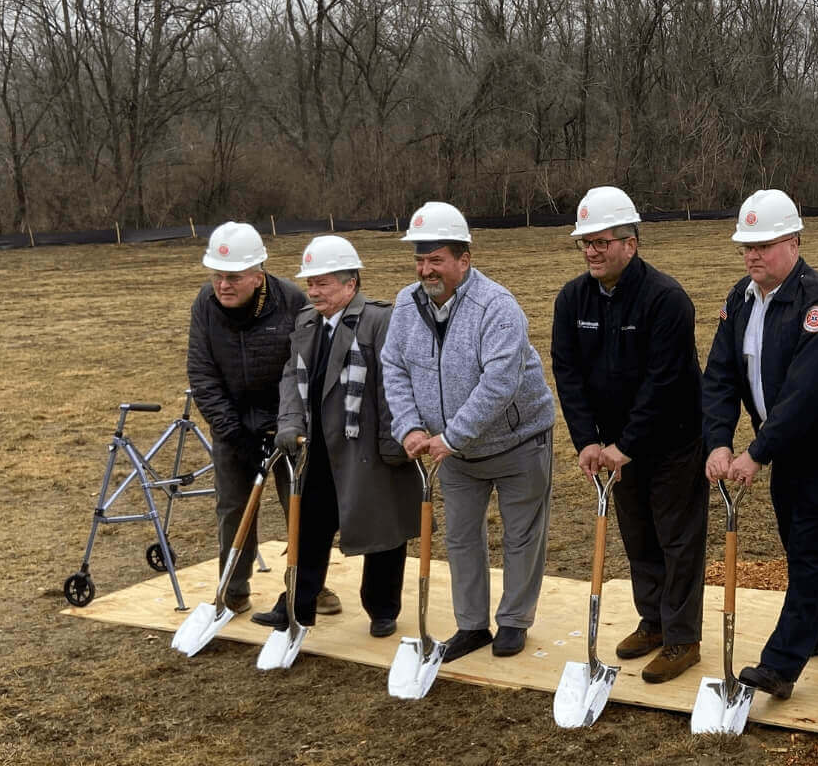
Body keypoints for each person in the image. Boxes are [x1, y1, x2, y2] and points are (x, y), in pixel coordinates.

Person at [702, 189, 818, 700]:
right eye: (746, 247)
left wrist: (756, 452)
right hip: (786, 447)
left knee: (809, 551)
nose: (753, 255)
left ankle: (780, 664)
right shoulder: (741, 299)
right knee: (806, 544)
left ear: (794, 242)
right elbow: (720, 377)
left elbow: (805, 396)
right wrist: (717, 442)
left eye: (765, 245)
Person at [381, 202, 556, 660]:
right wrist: (409, 426)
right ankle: (471, 625)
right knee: (460, 536)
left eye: (436, 259)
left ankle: (514, 621)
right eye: (420, 260)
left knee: (521, 535)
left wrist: (452, 436)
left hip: (518, 441)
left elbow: (500, 383)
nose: (425, 269)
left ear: (464, 259)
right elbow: (394, 367)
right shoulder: (405, 305)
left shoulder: (497, 307)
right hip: (451, 451)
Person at [551, 187, 708, 683]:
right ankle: (654, 621)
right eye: (585, 243)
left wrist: (625, 445)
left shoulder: (666, 300)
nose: (592, 251)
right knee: (638, 534)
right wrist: (588, 442)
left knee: (677, 538)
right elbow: (568, 372)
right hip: (619, 447)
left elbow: (665, 383)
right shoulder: (572, 298)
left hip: (675, 441)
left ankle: (683, 637)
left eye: (602, 242)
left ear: (630, 243)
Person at [262, 236, 421, 638]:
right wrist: (289, 422)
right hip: (316, 449)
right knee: (309, 528)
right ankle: (298, 605)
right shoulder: (306, 321)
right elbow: (290, 377)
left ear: (351, 284)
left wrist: (394, 443)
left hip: (368, 449)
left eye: (324, 283)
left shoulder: (379, 320)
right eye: (310, 283)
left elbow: (393, 384)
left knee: (382, 529)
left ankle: (382, 609)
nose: (314, 291)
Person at [186, 221, 337, 619]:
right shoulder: (204, 305)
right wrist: (234, 434)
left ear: (258, 274)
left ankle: (310, 586)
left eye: (233, 277)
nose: (223, 285)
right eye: (217, 276)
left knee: (301, 506)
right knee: (233, 508)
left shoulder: (290, 300)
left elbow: (303, 365)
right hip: (232, 425)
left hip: (288, 426)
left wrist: (288, 423)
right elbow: (202, 375)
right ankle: (233, 589)